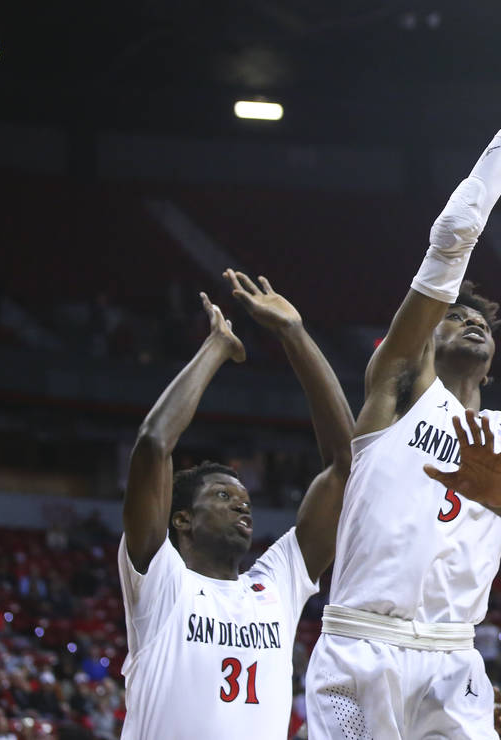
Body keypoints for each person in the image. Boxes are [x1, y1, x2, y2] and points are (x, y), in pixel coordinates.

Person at [304, 5, 501, 738]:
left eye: (483, 321)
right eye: (456, 317)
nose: (471, 321)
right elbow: (452, 239)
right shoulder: (400, 386)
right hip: (360, 647)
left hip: (453, 661)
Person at [118, 272, 354, 739]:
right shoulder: (161, 581)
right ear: (181, 519)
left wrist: (295, 334)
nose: (242, 507)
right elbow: (153, 444)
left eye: (245, 500)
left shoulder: (275, 584)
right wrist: (218, 347)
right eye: (224, 497)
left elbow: (347, 467)